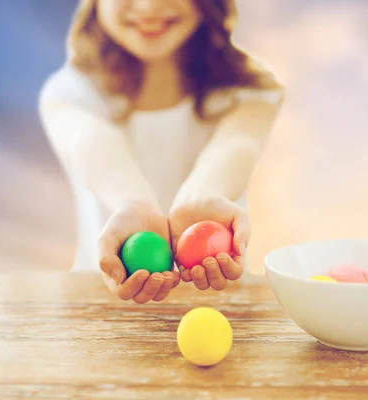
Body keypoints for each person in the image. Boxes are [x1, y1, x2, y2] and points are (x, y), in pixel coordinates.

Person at [39, 0, 285, 303]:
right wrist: (133, 202)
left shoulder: (251, 87)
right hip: (101, 303)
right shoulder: (70, 91)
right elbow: (89, 143)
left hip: (222, 302)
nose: (147, 7)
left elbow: (237, 144)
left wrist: (202, 194)